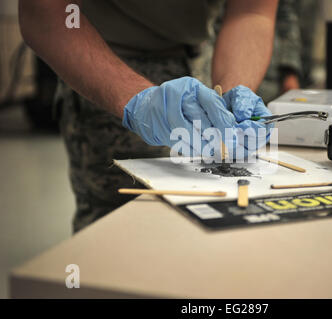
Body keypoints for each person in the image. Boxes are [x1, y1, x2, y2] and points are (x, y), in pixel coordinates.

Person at [19, 0, 279, 232]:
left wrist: (234, 95)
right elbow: (43, 11)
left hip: (197, 57)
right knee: (119, 230)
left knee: (201, 221)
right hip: (102, 61)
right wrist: (139, 101)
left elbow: (251, 12)